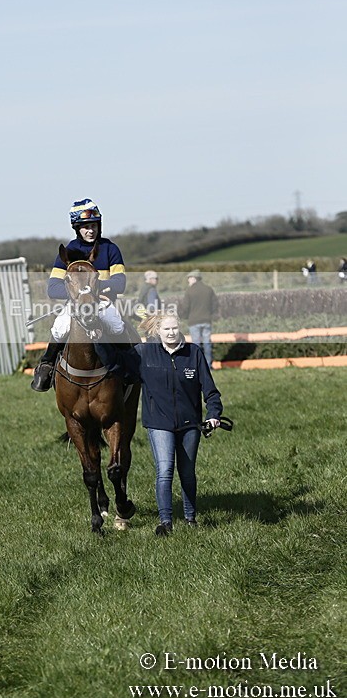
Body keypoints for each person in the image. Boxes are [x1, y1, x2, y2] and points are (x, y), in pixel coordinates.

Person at [94, 311, 223, 535]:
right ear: (157, 332)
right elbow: (116, 364)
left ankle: (191, 518)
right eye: (167, 329)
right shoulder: (144, 353)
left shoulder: (194, 353)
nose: (172, 333)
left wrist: (214, 414)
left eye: (175, 328)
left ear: (180, 328)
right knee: (164, 471)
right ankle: (166, 522)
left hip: (189, 423)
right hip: (159, 424)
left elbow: (210, 390)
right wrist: (99, 342)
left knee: (188, 472)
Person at [31, 198, 127, 392]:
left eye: (93, 226)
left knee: (117, 326)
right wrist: (78, 293)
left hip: (102, 304)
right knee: (60, 327)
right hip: (75, 305)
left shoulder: (111, 249)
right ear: (77, 228)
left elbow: (120, 283)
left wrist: (94, 289)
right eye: (85, 227)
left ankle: (130, 366)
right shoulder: (67, 252)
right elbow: (53, 288)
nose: (90, 230)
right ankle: (46, 366)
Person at [179, 270, 218, 368]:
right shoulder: (208, 289)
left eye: (189, 278)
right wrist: (211, 314)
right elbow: (215, 304)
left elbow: (185, 307)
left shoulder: (189, 291)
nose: (188, 281)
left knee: (196, 344)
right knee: (207, 343)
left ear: (194, 278)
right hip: (207, 320)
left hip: (194, 321)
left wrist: (183, 316)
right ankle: (208, 364)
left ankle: (198, 365)